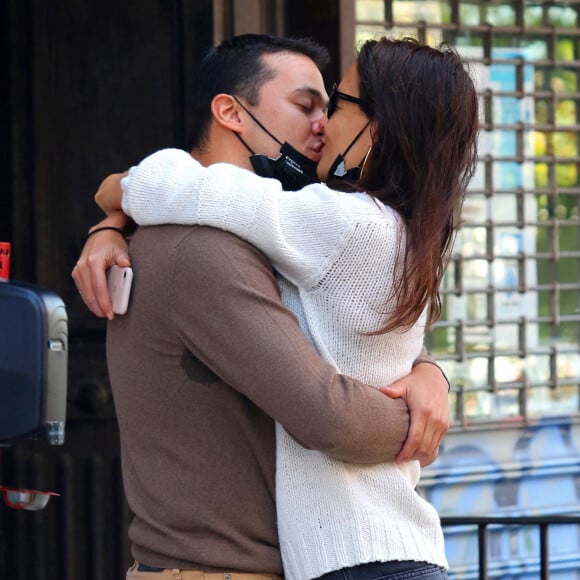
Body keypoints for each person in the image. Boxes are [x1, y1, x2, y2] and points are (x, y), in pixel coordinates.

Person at [72, 35, 453, 579]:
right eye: (306, 106)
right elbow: (328, 413)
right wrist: (422, 421)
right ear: (230, 111)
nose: (324, 124)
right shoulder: (203, 251)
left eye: (332, 106)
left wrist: (426, 370)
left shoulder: (268, 235)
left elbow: (349, 339)